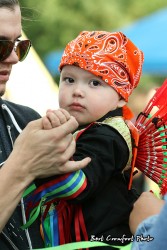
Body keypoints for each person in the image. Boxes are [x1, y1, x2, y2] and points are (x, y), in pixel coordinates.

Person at [24, 31, 144, 249]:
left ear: (120, 97)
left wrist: (33, 160)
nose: (77, 91)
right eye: (69, 80)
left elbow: (75, 185)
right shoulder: (86, 128)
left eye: (95, 83)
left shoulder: (109, 136)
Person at [0, 1, 90, 249]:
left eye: (19, 46)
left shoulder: (26, 122)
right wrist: (22, 166)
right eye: (0, 45)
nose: (13, 58)